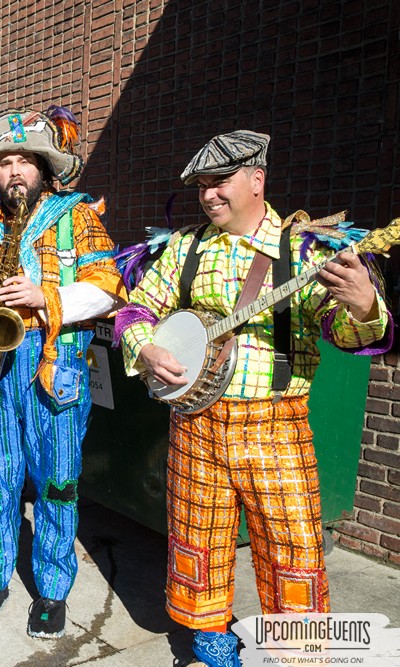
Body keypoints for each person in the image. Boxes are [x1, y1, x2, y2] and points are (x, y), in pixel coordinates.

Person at [114, 130, 392, 667]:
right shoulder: (184, 248)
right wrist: (145, 347)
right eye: (202, 186)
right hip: (195, 424)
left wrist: (362, 307)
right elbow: (135, 309)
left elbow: (340, 329)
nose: (209, 195)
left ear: (257, 179)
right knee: (200, 539)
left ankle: (297, 654)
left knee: (295, 549)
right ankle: (213, 644)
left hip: (275, 425)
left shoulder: (306, 250)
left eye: (221, 182)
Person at [0, 107, 126, 638]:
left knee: (57, 484)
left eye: (24, 161)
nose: (14, 171)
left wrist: (47, 296)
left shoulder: (77, 215)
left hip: (53, 368)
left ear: (43, 167)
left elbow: (108, 287)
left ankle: (51, 590)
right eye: (4, 163)